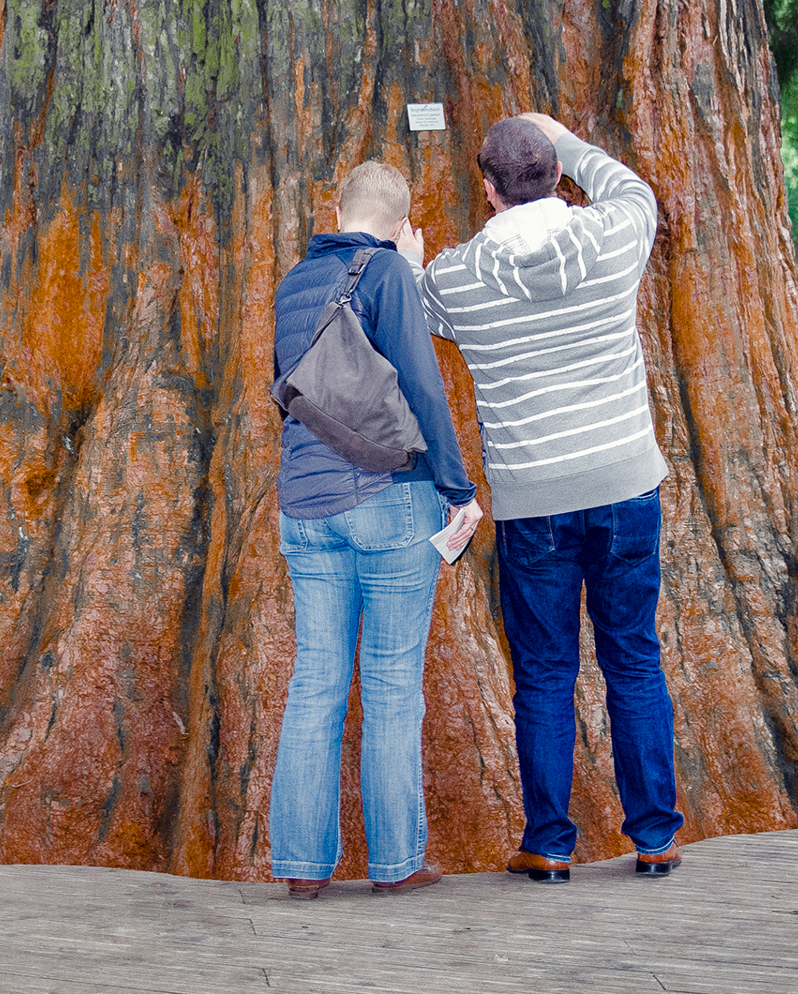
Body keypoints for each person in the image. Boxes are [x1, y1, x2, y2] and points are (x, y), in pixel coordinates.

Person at [407, 113, 685, 882]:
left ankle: (551, 842)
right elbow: (631, 189)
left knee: (545, 673)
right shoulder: (614, 237)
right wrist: (566, 138)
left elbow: (417, 306)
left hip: (534, 504)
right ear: (557, 172)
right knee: (632, 657)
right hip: (626, 485)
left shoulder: (458, 278)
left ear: (487, 189)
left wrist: (405, 259)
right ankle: (655, 835)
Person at [269, 160, 485, 900]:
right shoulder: (389, 272)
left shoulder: (295, 281)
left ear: (336, 207)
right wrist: (457, 489)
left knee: (315, 684)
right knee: (392, 685)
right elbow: (419, 385)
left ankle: (301, 864)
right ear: (400, 224)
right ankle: (396, 865)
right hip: (389, 498)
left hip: (304, 505)